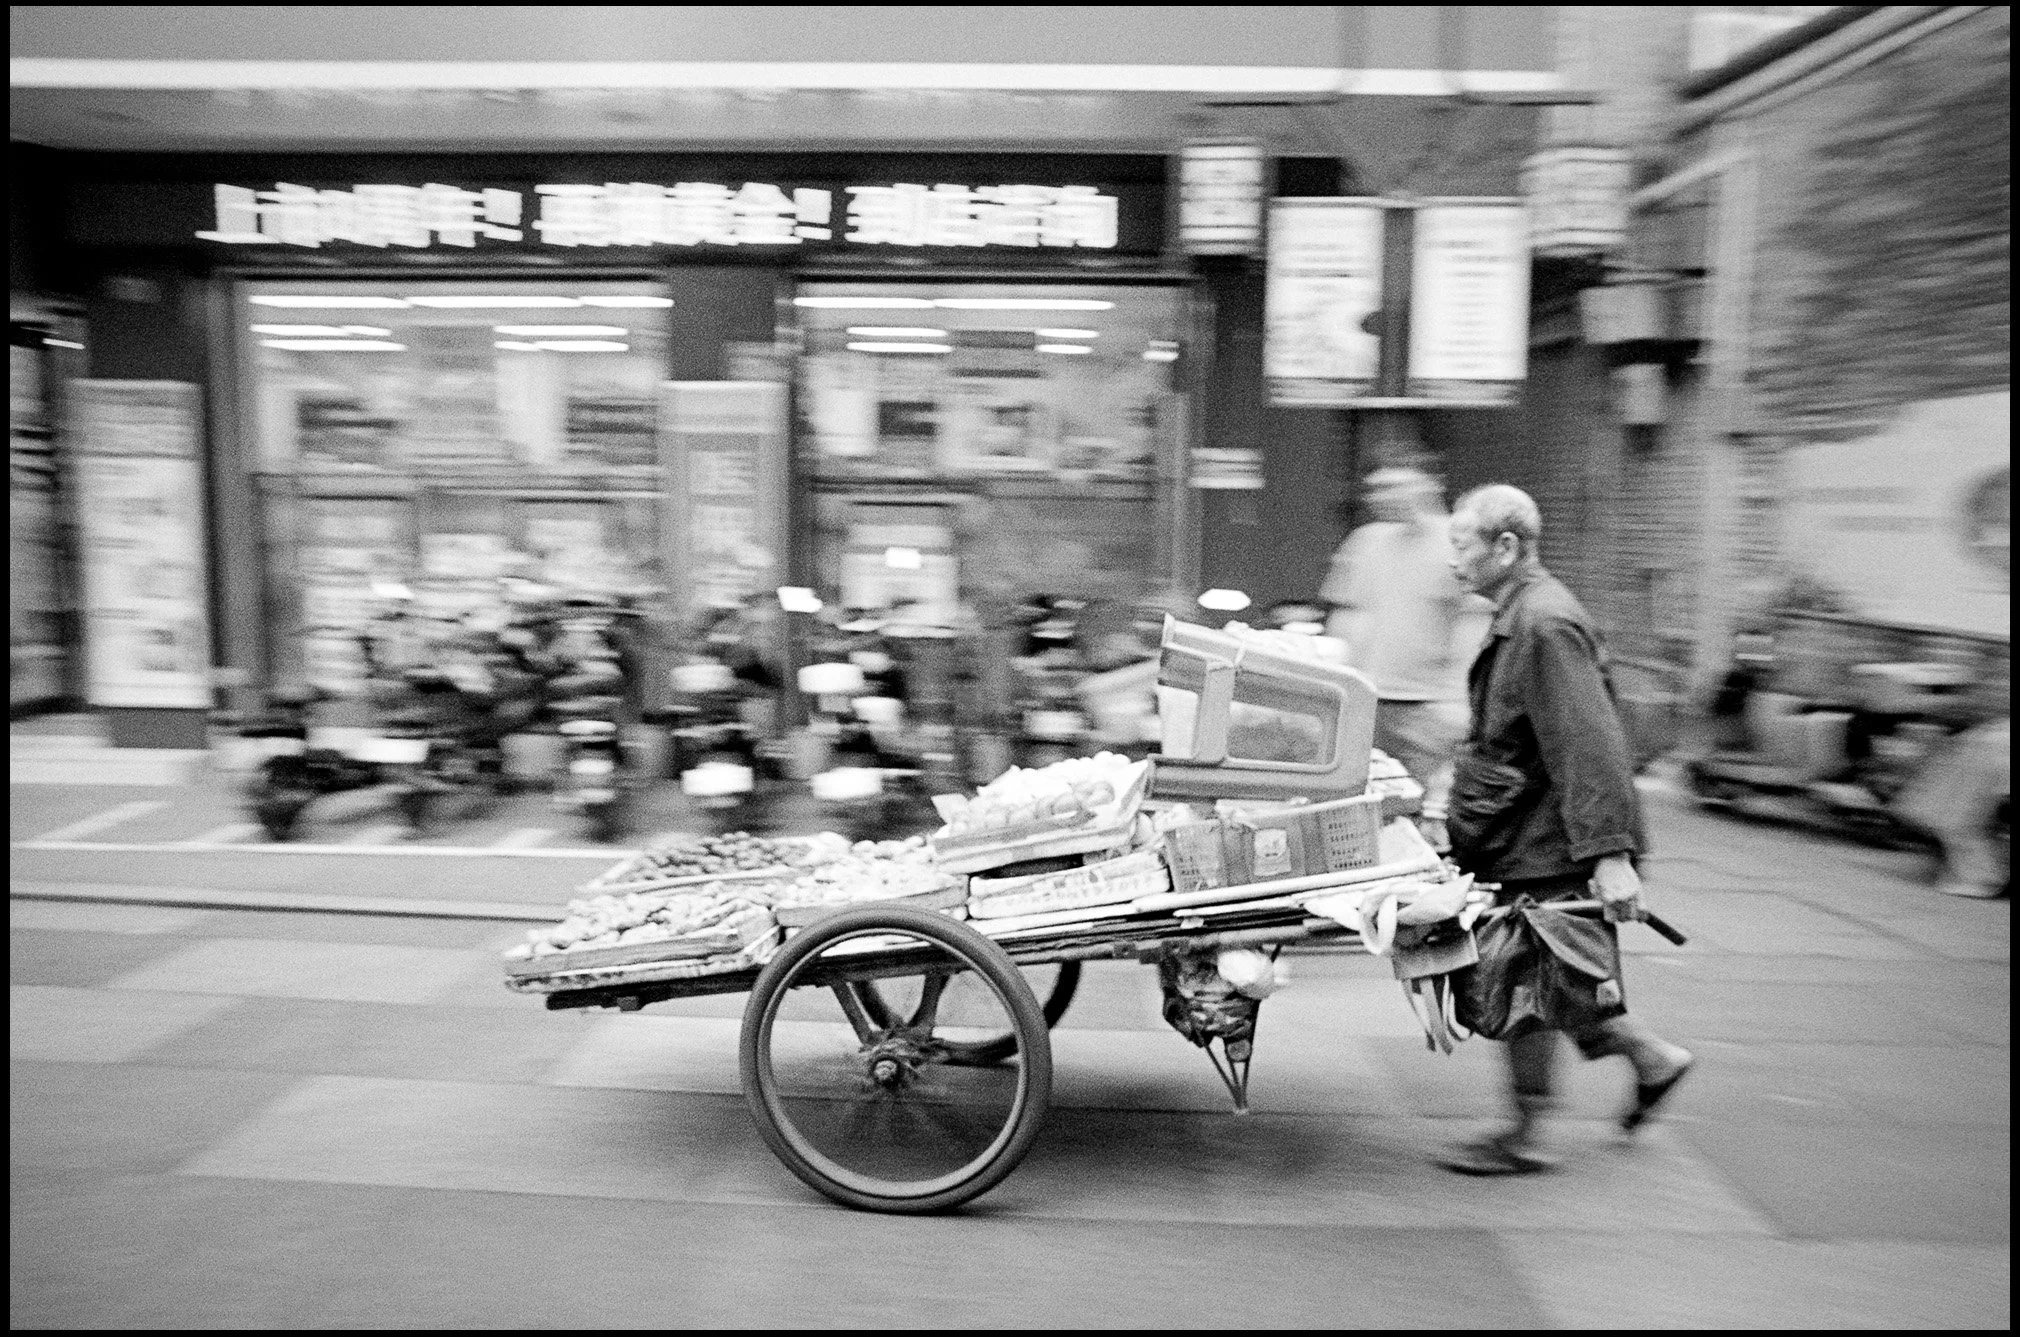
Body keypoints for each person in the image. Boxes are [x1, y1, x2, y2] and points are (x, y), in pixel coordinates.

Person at [1439, 483, 1694, 1175]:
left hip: (1547, 840)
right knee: (1555, 974)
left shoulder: (1544, 625)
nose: (1451, 558)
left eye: (1461, 544)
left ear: (1508, 546)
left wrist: (1611, 855)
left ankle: (1525, 1134)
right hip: (1524, 830)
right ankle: (1652, 1057)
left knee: (1524, 980)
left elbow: (1590, 745)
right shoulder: (1521, 614)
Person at [1320, 466, 1491, 847]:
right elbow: (1347, 616)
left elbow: (1472, 624)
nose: (1382, 497)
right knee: (1367, 816)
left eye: (1394, 486)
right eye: (1375, 488)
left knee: (1427, 818)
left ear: (1429, 484)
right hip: (1369, 704)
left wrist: (1457, 699)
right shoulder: (1365, 542)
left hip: (1426, 709)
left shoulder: (1455, 543)